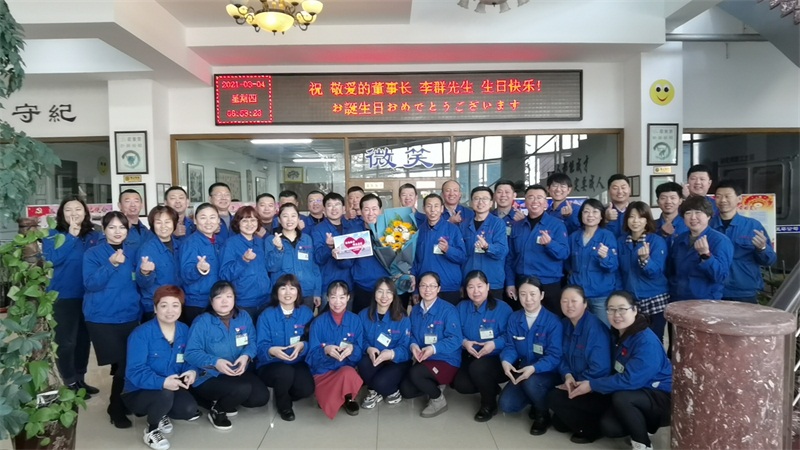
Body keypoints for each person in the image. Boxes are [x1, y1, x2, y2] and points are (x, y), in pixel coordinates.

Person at [568, 291, 672, 450]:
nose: (617, 315)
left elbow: (631, 380)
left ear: (634, 310)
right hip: (635, 392)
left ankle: (643, 444)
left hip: (660, 396)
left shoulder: (646, 342)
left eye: (622, 309)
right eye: (611, 309)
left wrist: (592, 385)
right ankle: (641, 424)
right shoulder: (617, 334)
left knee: (622, 398)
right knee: (610, 426)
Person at [122, 285, 200, 450]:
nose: (170, 310)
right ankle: (151, 430)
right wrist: (163, 382)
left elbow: (191, 357)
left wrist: (191, 371)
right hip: (138, 391)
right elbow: (134, 371)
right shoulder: (141, 334)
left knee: (188, 409)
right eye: (164, 305)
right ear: (155, 308)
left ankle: (161, 412)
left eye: (175, 305)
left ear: (181, 308)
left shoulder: (185, 330)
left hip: (172, 386)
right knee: (165, 394)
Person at [83, 211, 141, 428]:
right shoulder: (93, 253)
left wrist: (146, 273)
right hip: (102, 318)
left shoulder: (133, 252)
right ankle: (116, 408)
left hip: (129, 316)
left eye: (122, 227)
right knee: (122, 363)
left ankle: (120, 402)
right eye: (112, 227)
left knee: (127, 363)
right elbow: (90, 284)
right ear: (104, 229)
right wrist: (111, 264)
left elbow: (141, 282)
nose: (118, 232)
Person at [184, 281, 269, 430]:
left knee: (260, 397)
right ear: (211, 301)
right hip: (210, 374)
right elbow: (191, 353)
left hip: (236, 371)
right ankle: (218, 409)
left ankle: (224, 397)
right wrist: (215, 362)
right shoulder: (202, 321)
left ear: (234, 298)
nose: (224, 301)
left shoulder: (243, 316)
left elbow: (252, 342)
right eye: (219, 297)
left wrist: (246, 356)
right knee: (242, 389)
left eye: (229, 296)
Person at [43, 196, 101, 397]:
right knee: (66, 342)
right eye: (68, 209)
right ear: (61, 213)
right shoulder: (53, 234)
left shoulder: (93, 235)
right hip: (64, 297)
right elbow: (51, 260)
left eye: (78, 209)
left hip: (89, 296)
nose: (74, 213)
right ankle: (69, 382)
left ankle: (80, 379)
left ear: (85, 212)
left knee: (84, 341)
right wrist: (71, 236)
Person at [498, 276, 563, 436]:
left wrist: (534, 368)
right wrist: (506, 361)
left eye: (533, 294)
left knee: (531, 382)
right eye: (523, 294)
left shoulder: (553, 322)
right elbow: (510, 346)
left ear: (541, 295)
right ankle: (535, 398)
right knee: (506, 405)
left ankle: (543, 414)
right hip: (524, 370)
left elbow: (555, 356)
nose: (528, 299)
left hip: (548, 372)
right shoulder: (515, 318)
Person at [547, 286, 612, 444]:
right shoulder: (564, 324)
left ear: (585, 303)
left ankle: (592, 431)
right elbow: (559, 356)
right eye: (565, 301)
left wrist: (576, 383)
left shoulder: (595, 329)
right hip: (574, 381)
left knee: (553, 397)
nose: (569, 305)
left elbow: (601, 368)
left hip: (594, 387)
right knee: (558, 424)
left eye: (574, 301)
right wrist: (567, 375)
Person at [400, 272, 463, 418]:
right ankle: (435, 383)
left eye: (432, 286)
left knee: (415, 373)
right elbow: (411, 334)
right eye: (423, 285)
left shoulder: (448, 310)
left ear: (438, 289)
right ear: (418, 287)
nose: (427, 289)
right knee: (406, 391)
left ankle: (438, 400)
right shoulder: (415, 310)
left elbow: (455, 339)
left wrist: (433, 348)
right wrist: (413, 346)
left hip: (446, 359)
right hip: (425, 359)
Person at [453, 271, 512, 422]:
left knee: (478, 368)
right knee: (460, 385)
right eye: (471, 287)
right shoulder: (461, 307)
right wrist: (464, 342)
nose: (476, 291)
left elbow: (511, 336)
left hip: (496, 358)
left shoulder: (502, 308)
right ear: (466, 290)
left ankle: (488, 404)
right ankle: (491, 387)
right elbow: (454, 333)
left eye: (479, 286)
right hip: (470, 355)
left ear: (488, 287)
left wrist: (494, 344)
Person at [255, 275, 315, 422]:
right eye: (283, 288)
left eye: (292, 288)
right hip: (271, 364)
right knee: (285, 372)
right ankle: (284, 406)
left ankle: (285, 392)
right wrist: (271, 351)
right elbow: (260, 346)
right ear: (276, 292)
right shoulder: (266, 315)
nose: (288, 293)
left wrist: (303, 345)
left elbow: (313, 341)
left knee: (306, 389)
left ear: (298, 292)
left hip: (297, 361)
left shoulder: (306, 313)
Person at [505, 185, 570, 314]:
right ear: (525, 202)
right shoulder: (517, 226)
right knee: (524, 320)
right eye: (531, 197)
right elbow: (510, 258)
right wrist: (510, 283)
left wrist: (550, 244)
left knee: (551, 322)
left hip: (548, 284)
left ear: (545, 203)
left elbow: (564, 253)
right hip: (523, 283)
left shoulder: (557, 225)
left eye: (539, 198)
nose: (535, 201)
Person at [711, 180, 777, 303]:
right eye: (718, 196)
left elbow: (770, 260)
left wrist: (762, 249)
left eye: (727, 196)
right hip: (714, 290)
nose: (723, 200)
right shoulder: (707, 226)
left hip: (744, 291)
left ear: (739, 199)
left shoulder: (752, 226)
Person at [306, 281, 364, 419]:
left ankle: (346, 397)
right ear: (327, 298)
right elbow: (311, 357)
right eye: (333, 297)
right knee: (324, 397)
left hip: (344, 370)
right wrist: (325, 351)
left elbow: (359, 353)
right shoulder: (318, 322)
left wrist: (352, 350)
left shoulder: (355, 320)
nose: (337, 302)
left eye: (342, 297)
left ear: (348, 298)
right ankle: (339, 395)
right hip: (323, 372)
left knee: (348, 373)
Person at [617, 202, 670, 339]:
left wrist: (645, 260)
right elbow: (618, 271)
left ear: (647, 220)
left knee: (654, 338)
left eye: (641, 217)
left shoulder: (656, 241)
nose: (635, 221)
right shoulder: (621, 242)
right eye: (631, 217)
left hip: (654, 298)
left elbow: (655, 272)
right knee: (632, 338)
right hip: (631, 299)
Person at [357, 278, 411, 409]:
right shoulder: (363, 315)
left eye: (388, 292)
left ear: (394, 295)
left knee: (380, 383)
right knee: (362, 362)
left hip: (396, 361)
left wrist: (392, 354)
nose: (384, 296)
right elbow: (359, 340)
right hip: (374, 358)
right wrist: (368, 348)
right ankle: (374, 391)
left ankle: (392, 392)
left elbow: (406, 349)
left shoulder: (402, 318)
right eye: (380, 291)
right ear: (374, 293)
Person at [669, 195, 733, 301]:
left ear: (708, 216)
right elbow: (672, 270)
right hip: (678, 298)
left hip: (706, 301)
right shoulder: (679, 239)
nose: (693, 217)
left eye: (698, 212)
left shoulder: (720, 240)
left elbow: (720, 276)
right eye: (688, 213)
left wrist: (706, 255)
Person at [566, 198, 619, 325]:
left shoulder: (607, 236)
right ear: (581, 215)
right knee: (578, 329)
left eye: (595, 212)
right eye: (586, 211)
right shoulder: (573, 237)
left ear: (601, 216)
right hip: (578, 294)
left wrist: (605, 257)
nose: (590, 215)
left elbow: (613, 266)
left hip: (600, 295)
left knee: (602, 330)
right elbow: (566, 262)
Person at [266, 203, 322, 310]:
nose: (289, 220)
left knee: (305, 320)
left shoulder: (306, 239)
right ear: (279, 220)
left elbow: (314, 267)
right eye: (285, 216)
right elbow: (271, 267)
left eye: (293, 216)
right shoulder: (271, 240)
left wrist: (317, 291)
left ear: (298, 219)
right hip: (283, 293)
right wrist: (278, 249)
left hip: (306, 291)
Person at [413, 193, 467, 305]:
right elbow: (415, 261)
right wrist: (416, 290)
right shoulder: (418, 231)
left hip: (448, 287)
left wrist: (448, 250)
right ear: (424, 209)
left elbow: (462, 257)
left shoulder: (453, 229)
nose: (433, 210)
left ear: (442, 209)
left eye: (436, 206)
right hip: (426, 288)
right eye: (429, 206)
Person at [219, 206, 271, 321]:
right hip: (244, 301)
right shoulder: (230, 244)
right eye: (245, 221)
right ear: (238, 223)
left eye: (253, 220)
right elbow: (224, 274)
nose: (249, 224)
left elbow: (269, 268)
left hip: (265, 300)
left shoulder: (260, 242)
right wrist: (244, 260)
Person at [461, 187, 508, 300]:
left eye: (485, 199)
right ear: (471, 203)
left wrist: (487, 247)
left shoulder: (498, 223)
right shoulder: (463, 225)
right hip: (469, 281)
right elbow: (461, 254)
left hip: (492, 281)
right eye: (476, 198)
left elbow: (502, 251)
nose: (480, 202)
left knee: (493, 310)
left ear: (491, 203)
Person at [137, 206, 182, 323]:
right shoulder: (147, 249)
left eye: (167, 222)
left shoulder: (180, 245)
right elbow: (142, 283)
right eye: (158, 222)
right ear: (152, 225)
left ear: (174, 223)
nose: (163, 226)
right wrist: (145, 273)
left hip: (177, 303)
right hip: (155, 306)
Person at [179, 203, 221, 324]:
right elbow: (185, 275)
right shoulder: (190, 243)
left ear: (218, 220)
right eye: (203, 217)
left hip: (216, 299)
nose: (208, 222)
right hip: (197, 303)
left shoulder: (220, 241)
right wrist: (198, 269)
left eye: (212, 217)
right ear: (195, 221)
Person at [350, 194, 392, 312]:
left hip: (386, 287)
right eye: (366, 209)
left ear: (380, 210)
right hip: (362, 287)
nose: (370, 213)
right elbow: (346, 263)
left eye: (374, 209)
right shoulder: (354, 232)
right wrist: (339, 255)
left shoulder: (391, 231)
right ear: (361, 211)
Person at [312, 192, 354, 297]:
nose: (334, 208)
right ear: (324, 210)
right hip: (328, 285)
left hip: (350, 284)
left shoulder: (352, 227)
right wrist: (328, 247)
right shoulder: (318, 230)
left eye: (337, 204)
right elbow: (318, 258)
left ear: (343, 209)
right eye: (330, 205)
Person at [654, 181, 687, 248]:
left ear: (680, 201)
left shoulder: (688, 225)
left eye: (673, 198)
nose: (668, 202)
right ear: (658, 202)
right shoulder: (651, 226)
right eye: (663, 198)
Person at [119, 189, 149, 253]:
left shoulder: (145, 230)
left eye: (136, 201)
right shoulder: (114, 229)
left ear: (141, 205)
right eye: (127, 201)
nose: (133, 205)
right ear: (120, 205)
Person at [604, 174, 631, 238]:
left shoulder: (637, 211)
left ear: (630, 190)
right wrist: (605, 219)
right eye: (615, 188)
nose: (620, 191)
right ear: (609, 191)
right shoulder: (601, 212)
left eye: (623, 188)